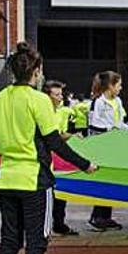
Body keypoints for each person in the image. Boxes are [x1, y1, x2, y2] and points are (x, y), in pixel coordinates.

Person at [0, 44, 97, 254]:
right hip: (35, 178)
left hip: (7, 178)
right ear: (36, 72)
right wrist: (84, 164)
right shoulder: (38, 100)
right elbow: (53, 142)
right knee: (37, 242)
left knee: (9, 240)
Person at [87, 71, 128, 231]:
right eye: (118, 85)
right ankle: (97, 216)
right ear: (110, 86)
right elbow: (94, 125)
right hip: (102, 148)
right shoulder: (97, 103)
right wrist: (111, 129)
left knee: (112, 179)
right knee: (103, 180)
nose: (120, 88)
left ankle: (106, 215)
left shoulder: (117, 101)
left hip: (115, 147)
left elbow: (120, 122)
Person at [43, 80, 80, 236]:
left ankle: (59, 222)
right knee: (47, 193)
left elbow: (61, 133)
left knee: (60, 190)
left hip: (59, 157)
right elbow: (54, 136)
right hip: (46, 156)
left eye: (61, 94)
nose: (60, 97)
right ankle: (47, 226)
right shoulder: (44, 112)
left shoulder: (63, 112)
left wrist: (71, 135)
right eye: (56, 94)